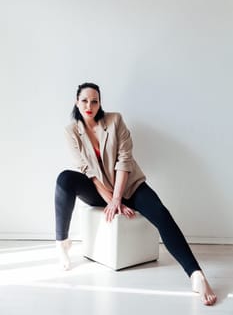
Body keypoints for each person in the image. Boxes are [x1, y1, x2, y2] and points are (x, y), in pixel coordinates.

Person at [55, 82, 217, 306]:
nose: (89, 105)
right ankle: (62, 242)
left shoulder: (114, 121)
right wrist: (111, 201)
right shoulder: (71, 131)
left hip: (130, 186)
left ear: (100, 102)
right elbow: (88, 171)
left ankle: (196, 275)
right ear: (77, 102)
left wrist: (118, 199)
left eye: (94, 101)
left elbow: (125, 161)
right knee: (64, 179)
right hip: (98, 190)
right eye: (84, 101)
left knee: (161, 213)